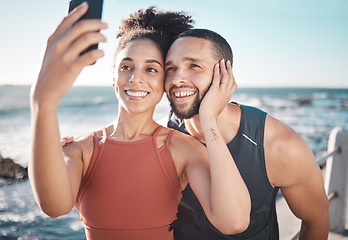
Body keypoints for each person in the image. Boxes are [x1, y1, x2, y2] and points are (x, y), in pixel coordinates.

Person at [29, 3, 250, 240]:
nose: (136, 78)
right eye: (126, 67)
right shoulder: (81, 150)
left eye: (151, 69)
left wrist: (209, 119)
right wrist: (43, 104)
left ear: (165, 81)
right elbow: (54, 207)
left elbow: (234, 221)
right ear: (114, 78)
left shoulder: (183, 150)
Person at [164, 29, 330, 240]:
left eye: (194, 66)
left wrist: (209, 118)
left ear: (224, 74)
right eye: (171, 69)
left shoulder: (278, 145)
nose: (177, 79)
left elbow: (316, 220)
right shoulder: (166, 131)